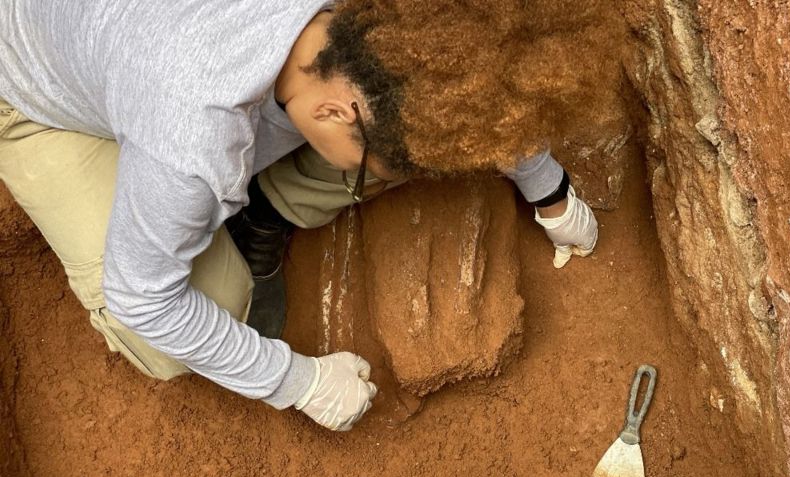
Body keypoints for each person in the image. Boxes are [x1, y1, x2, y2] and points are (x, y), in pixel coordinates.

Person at [0, 1, 599, 431]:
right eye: (372, 172)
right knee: (177, 333)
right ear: (336, 111)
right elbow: (142, 299)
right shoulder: (189, 135)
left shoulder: (378, 28)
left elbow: (459, 71)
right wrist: (295, 381)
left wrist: (547, 185)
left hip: (146, 60)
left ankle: (259, 210)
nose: (375, 180)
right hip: (41, 94)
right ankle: (208, 212)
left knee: (408, 141)